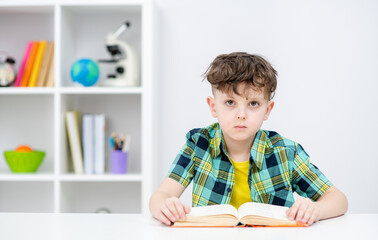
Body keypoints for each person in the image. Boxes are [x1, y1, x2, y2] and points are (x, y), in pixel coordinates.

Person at [149, 52, 348, 226]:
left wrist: (315, 210)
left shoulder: (286, 152)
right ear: (213, 107)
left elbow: (338, 199)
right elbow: (160, 197)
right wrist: (165, 206)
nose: (241, 114)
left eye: (253, 103)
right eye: (230, 102)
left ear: (267, 110)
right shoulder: (198, 145)